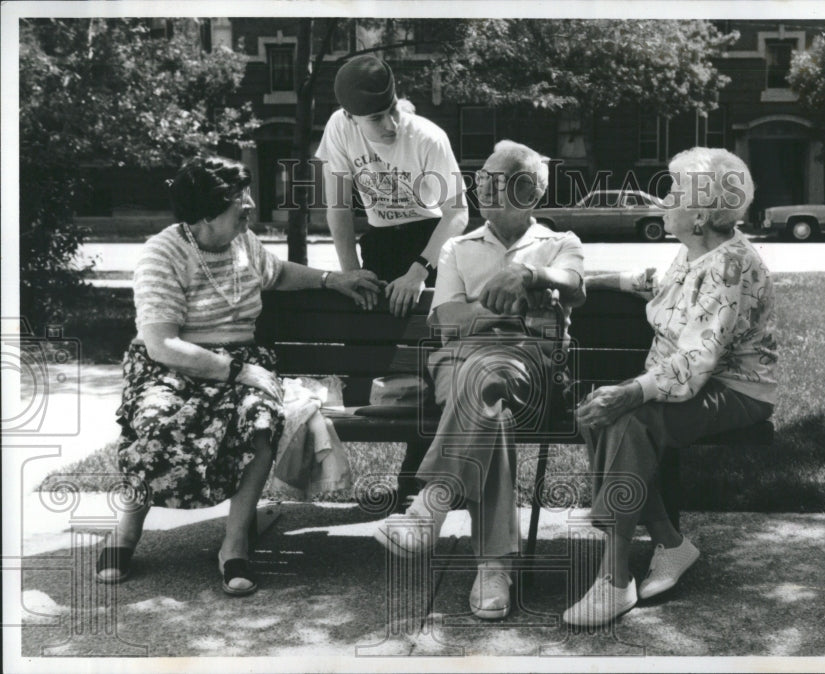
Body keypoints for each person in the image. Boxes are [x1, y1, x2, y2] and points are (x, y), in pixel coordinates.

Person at [95, 156, 382, 596]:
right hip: (173, 366)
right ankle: (128, 531)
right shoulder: (163, 253)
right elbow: (161, 344)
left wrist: (331, 279)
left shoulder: (243, 242)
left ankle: (234, 545)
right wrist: (238, 370)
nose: (249, 205)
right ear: (206, 213)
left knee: (261, 417)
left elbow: (279, 272)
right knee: (152, 421)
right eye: (238, 201)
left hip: (241, 362)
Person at [563, 148, 778, 626]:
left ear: (700, 214)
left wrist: (632, 391)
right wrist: (590, 281)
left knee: (627, 420)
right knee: (593, 412)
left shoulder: (731, 266)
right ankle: (671, 543)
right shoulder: (697, 251)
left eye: (676, 191)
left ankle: (614, 581)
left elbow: (698, 358)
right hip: (690, 383)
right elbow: (661, 284)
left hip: (736, 388)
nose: (665, 199)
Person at [372, 140, 586, 620]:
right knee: (489, 398)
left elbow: (573, 286)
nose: (479, 184)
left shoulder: (560, 243)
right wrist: (509, 303)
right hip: (460, 362)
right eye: (481, 176)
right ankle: (493, 567)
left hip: (530, 368)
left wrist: (528, 273)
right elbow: (444, 322)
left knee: (487, 384)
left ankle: (432, 504)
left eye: (495, 178)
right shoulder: (457, 246)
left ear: (527, 190)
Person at [315, 55, 469, 317]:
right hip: (381, 241)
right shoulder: (339, 128)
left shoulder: (428, 138)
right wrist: (352, 274)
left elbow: (457, 212)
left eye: (393, 109)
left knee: (430, 334)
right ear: (350, 117)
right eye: (376, 119)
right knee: (368, 333)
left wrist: (419, 271)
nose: (391, 124)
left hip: (430, 239)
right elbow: (339, 208)